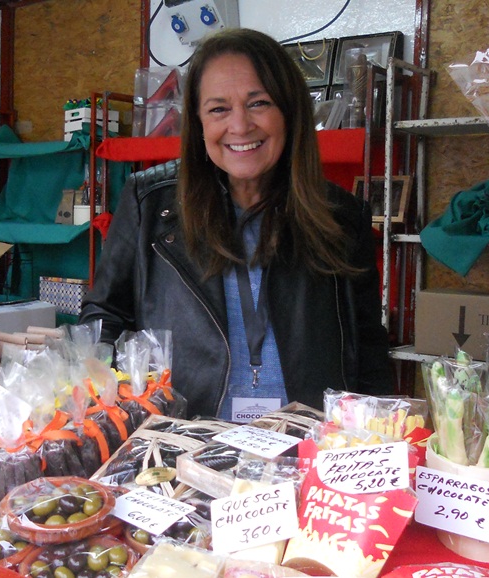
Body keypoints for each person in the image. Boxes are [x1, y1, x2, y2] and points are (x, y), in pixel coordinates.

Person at [80, 28, 393, 421]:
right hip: (184, 444)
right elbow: (104, 318)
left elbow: (367, 346)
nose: (240, 126)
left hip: (307, 447)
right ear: (198, 121)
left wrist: (377, 435)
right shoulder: (149, 203)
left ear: (290, 111)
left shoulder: (342, 216)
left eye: (258, 103)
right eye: (218, 109)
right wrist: (121, 419)